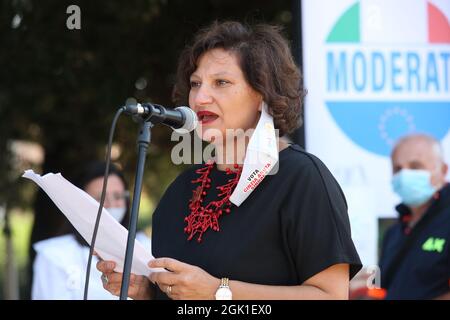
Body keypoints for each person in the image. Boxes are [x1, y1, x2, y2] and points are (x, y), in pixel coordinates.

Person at [97, 20, 361, 300]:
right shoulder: (181, 191)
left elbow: (331, 296)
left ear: (263, 94)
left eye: (221, 82)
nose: (200, 97)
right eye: (195, 83)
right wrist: (147, 293)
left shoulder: (302, 178)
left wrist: (219, 291)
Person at [31, 161, 151, 299]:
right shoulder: (54, 254)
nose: (111, 204)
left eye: (118, 197)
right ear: (80, 202)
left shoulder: (146, 247)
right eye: (100, 198)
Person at [379, 134, 450, 299]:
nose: (404, 175)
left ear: (443, 170)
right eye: (398, 169)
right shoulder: (394, 232)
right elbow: (383, 286)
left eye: (415, 166)